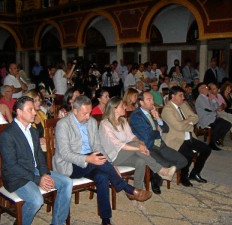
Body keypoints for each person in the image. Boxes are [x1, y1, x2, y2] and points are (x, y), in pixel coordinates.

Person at [52, 95, 152, 225]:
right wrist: (88, 158)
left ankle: (106, 220)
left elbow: (98, 147)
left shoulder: (92, 122)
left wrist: (109, 164)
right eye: (84, 113)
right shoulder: (63, 124)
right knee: (99, 162)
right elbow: (65, 154)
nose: (88, 116)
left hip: (93, 162)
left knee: (102, 176)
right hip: (70, 165)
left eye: (90, 112)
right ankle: (128, 189)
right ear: (74, 110)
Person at [0, 96, 72, 225]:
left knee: (67, 182)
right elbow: (11, 166)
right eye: (30, 109)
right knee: (36, 200)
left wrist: (45, 174)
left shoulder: (32, 131)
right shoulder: (7, 134)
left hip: (35, 170)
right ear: (19, 112)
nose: (34, 112)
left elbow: (39, 156)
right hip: (16, 177)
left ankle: (57, 223)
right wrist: (38, 179)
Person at [99, 97, 176, 197]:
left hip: (126, 153)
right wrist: (139, 147)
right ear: (114, 109)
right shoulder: (105, 124)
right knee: (136, 145)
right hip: (112, 157)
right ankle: (160, 170)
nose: (125, 107)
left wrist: (141, 144)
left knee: (141, 161)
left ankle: (137, 192)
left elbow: (131, 136)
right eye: (122, 106)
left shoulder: (122, 120)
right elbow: (118, 145)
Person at [129, 91, 187, 193]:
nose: (152, 102)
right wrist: (158, 131)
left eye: (152, 99)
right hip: (148, 147)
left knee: (183, 161)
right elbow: (147, 137)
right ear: (141, 102)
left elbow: (166, 129)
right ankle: (155, 180)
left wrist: (158, 118)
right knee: (165, 164)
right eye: (149, 100)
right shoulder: (136, 116)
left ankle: (162, 173)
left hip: (159, 144)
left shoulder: (153, 112)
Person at [160, 86, 211, 187]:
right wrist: (189, 122)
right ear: (173, 96)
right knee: (188, 154)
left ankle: (195, 173)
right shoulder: (167, 109)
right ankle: (184, 177)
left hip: (188, 136)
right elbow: (178, 126)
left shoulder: (183, 105)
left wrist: (186, 121)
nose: (183, 97)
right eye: (181, 95)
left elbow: (196, 117)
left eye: (183, 95)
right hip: (176, 139)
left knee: (206, 149)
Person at [195, 83, 232, 150]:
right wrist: (214, 106)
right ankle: (212, 143)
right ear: (200, 90)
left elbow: (217, 106)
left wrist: (213, 100)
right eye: (205, 87)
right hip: (205, 119)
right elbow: (210, 109)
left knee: (228, 124)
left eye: (207, 87)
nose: (207, 89)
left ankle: (217, 139)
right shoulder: (200, 99)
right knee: (218, 125)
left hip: (213, 117)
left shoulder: (208, 97)